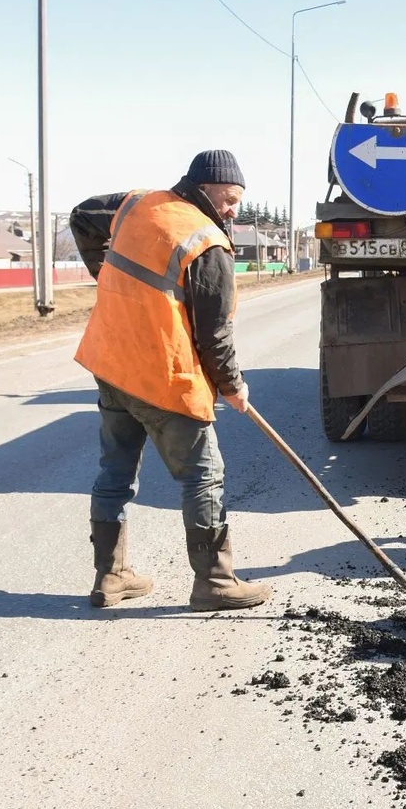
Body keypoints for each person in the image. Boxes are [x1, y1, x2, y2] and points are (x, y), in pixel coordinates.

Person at [70, 150, 271, 613]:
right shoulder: (206, 243)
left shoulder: (138, 205)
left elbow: (83, 214)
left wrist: (105, 277)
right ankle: (215, 583)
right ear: (203, 187)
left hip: (112, 362)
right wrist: (233, 386)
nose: (233, 210)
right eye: (228, 198)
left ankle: (111, 577)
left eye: (238, 201)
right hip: (163, 375)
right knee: (203, 476)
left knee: (115, 472)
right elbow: (214, 335)